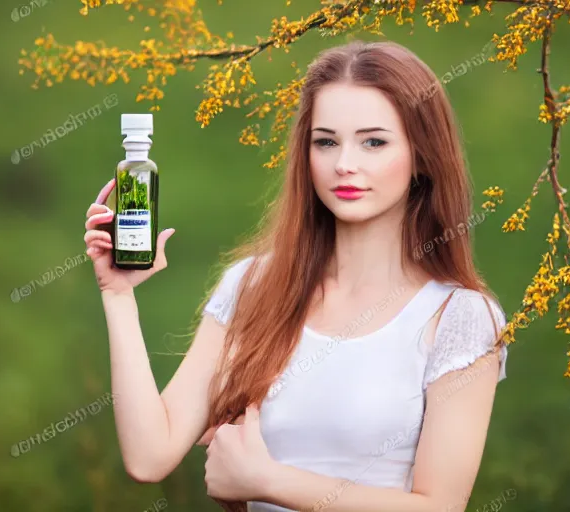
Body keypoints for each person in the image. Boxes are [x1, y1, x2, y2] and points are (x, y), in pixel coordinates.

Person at [83, 40, 508, 512]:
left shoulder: (460, 317)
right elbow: (148, 457)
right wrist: (118, 296)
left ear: (422, 156)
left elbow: (440, 507)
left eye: (374, 141)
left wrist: (268, 480)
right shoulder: (253, 287)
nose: (344, 163)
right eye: (326, 141)